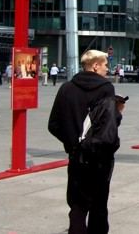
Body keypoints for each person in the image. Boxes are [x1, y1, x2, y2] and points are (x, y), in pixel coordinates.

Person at [48, 50, 116, 234]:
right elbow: (108, 126)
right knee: (99, 205)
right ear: (95, 65)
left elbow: (53, 124)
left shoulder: (66, 88)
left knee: (77, 206)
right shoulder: (106, 89)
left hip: (76, 156)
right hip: (99, 157)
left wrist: (72, 143)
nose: (107, 69)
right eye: (105, 65)